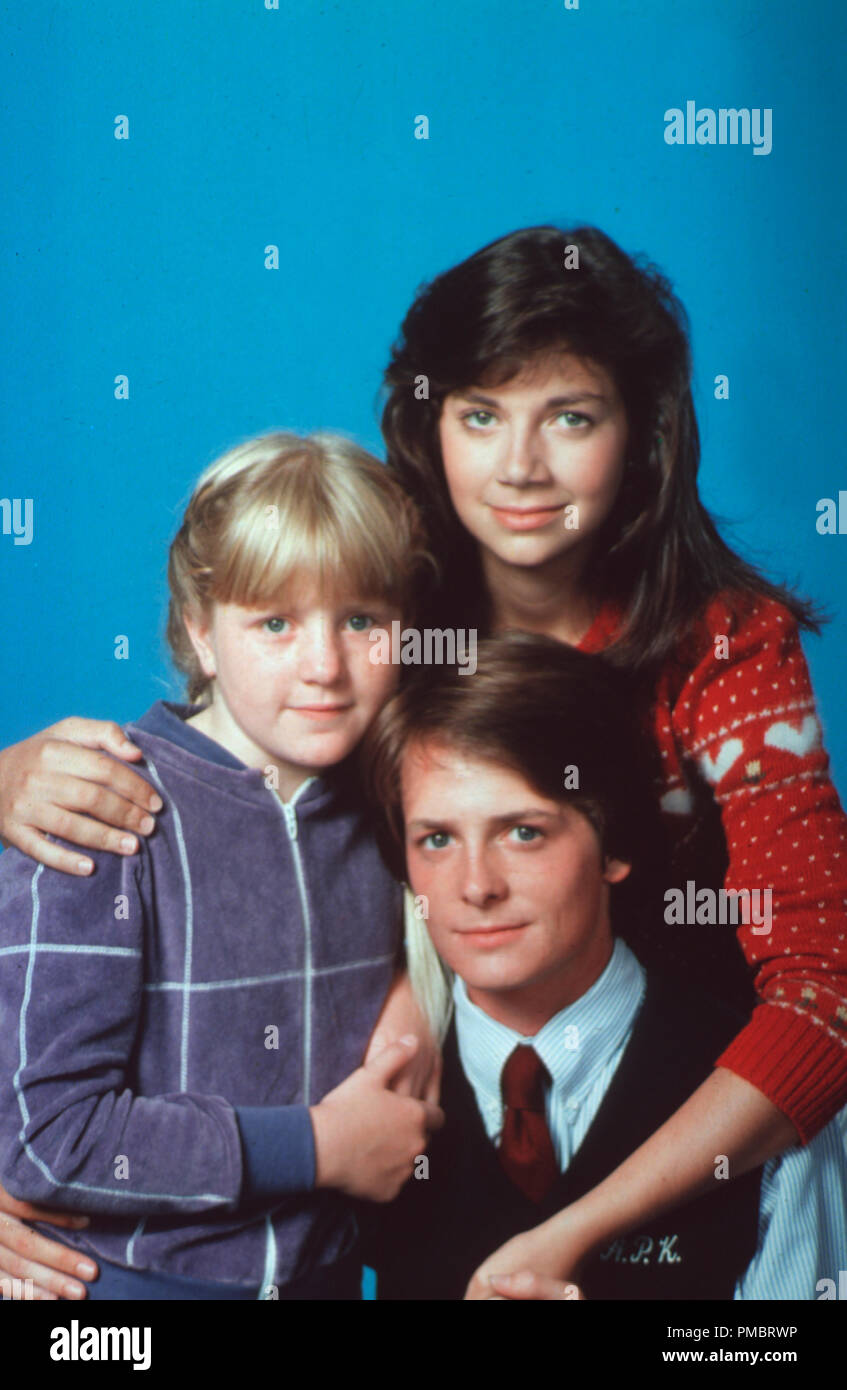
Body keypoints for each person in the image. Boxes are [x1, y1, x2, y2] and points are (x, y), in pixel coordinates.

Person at [1, 224, 846, 1295]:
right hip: (440, 1137)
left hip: (699, 1130)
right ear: (429, 424)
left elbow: (824, 995)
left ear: (642, 433)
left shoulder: (724, 645)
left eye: (571, 417)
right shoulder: (384, 619)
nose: (521, 467)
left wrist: (575, 1233)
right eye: (480, 415)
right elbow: (58, 1019)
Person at [0, 431, 443, 1300]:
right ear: (200, 633)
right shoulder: (95, 806)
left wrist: (421, 1007)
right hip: (121, 1294)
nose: (324, 667)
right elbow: (46, 1139)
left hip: (325, 1280)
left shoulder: (399, 796)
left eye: (360, 620)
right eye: (274, 623)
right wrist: (317, 1146)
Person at [360, 635, 847, 1301]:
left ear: (614, 846)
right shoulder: (373, 1087)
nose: (476, 886)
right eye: (436, 839)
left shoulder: (772, 1100)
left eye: (524, 832)